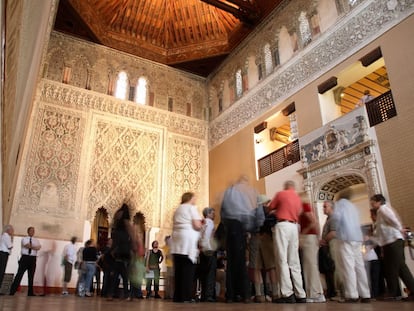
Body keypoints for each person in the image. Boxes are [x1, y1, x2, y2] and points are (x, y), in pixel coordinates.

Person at [221, 175, 258, 303]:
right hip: (239, 229)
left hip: (230, 230)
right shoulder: (242, 194)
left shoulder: (228, 193)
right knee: (241, 263)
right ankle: (245, 295)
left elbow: (222, 213)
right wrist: (248, 230)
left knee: (231, 264)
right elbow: (247, 213)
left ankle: (231, 295)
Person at [370, 194, 414, 300]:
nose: (371, 203)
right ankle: (411, 291)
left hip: (393, 241)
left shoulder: (383, 209)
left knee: (392, 268)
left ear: (378, 201)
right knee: (400, 267)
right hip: (390, 242)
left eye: (373, 201)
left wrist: (400, 229)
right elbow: (382, 231)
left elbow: (393, 219)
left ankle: (392, 292)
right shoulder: (381, 212)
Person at [269, 180, 306, 303]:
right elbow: (299, 212)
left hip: (283, 226)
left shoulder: (281, 194)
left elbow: (270, 207)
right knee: (294, 262)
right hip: (294, 227)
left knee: (282, 259)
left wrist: (275, 210)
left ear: (285, 186)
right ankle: (301, 294)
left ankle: (287, 294)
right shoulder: (297, 198)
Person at [332, 194, 371, 302]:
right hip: (357, 238)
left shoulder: (340, 204)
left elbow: (336, 217)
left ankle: (352, 295)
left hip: (345, 238)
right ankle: (365, 294)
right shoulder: (353, 206)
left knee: (348, 266)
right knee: (359, 266)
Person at [170, 192, 203, 303]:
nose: (195, 200)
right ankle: (186, 296)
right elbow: (197, 225)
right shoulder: (191, 208)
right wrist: (202, 225)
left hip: (176, 240)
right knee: (188, 271)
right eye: (194, 198)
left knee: (178, 270)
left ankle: (178, 296)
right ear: (190, 198)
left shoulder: (178, 209)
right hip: (187, 241)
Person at [249, 195, 278, 303]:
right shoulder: (269, 212)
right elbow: (273, 224)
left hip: (255, 238)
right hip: (267, 238)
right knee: (271, 267)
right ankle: (275, 293)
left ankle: (259, 294)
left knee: (256, 267)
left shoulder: (251, 213)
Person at [299, 199, 326, 303]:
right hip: (309, 237)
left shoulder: (304, 205)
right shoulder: (302, 206)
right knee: (309, 266)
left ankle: (316, 293)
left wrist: (303, 233)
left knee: (311, 266)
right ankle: (313, 293)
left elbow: (314, 221)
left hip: (309, 237)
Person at [107, 203, 133, 300]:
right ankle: (126, 295)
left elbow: (115, 238)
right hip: (124, 253)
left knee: (116, 276)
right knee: (124, 276)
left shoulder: (118, 216)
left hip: (118, 254)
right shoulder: (126, 222)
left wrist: (112, 250)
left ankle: (110, 294)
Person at [9, 226, 41, 296]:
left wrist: (32, 247)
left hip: (33, 258)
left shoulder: (36, 240)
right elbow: (27, 246)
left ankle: (30, 292)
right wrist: (34, 247)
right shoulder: (24, 238)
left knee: (31, 276)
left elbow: (39, 247)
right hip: (25, 258)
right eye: (31, 230)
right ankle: (12, 291)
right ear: (28, 231)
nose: (32, 232)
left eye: (33, 231)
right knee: (19, 274)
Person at [319, 201, 339, 300]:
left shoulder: (334, 218)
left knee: (334, 268)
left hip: (333, 245)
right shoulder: (329, 219)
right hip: (328, 246)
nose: (323, 208)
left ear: (331, 207)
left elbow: (334, 232)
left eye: (325, 207)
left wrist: (324, 240)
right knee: (329, 269)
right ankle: (332, 291)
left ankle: (336, 291)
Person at [199, 207, 217, 302]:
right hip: (209, 250)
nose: (214, 215)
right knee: (210, 273)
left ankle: (203, 295)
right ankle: (209, 295)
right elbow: (210, 236)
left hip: (202, 250)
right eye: (213, 213)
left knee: (204, 273)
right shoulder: (209, 222)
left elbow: (201, 235)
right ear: (208, 214)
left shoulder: (202, 222)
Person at [0, 225, 14, 289]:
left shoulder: (3, 235)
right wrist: (12, 240)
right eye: (12, 230)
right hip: (3, 255)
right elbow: (10, 246)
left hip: (1, 254)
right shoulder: (7, 236)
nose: (12, 231)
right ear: (8, 230)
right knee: (1, 271)